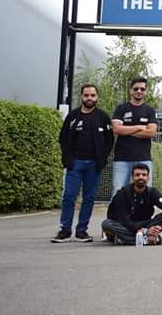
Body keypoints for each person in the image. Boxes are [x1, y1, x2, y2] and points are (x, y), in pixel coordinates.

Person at [52, 84, 114, 243]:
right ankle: (65, 231)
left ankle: (81, 231)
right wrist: (68, 160)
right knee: (69, 196)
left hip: (94, 165)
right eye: (86, 95)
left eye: (92, 95)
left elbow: (109, 141)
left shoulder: (103, 117)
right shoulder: (73, 116)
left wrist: (102, 159)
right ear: (81, 96)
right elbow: (63, 139)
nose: (89, 98)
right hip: (75, 164)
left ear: (97, 97)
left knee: (89, 198)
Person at [101, 163, 162, 245]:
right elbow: (125, 221)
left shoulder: (153, 192)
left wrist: (157, 226)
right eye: (137, 175)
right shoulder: (122, 194)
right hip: (124, 225)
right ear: (132, 178)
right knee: (106, 224)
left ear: (148, 178)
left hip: (144, 224)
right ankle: (146, 240)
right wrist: (145, 230)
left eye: (144, 175)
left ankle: (126, 239)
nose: (141, 177)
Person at [111, 76, 158, 194]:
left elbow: (151, 132)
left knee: (144, 194)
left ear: (145, 91)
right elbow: (116, 129)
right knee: (118, 193)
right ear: (131, 90)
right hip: (122, 159)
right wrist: (139, 127)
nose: (139, 91)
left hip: (143, 159)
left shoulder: (150, 110)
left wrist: (126, 130)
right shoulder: (121, 108)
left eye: (142, 89)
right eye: (136, 88)